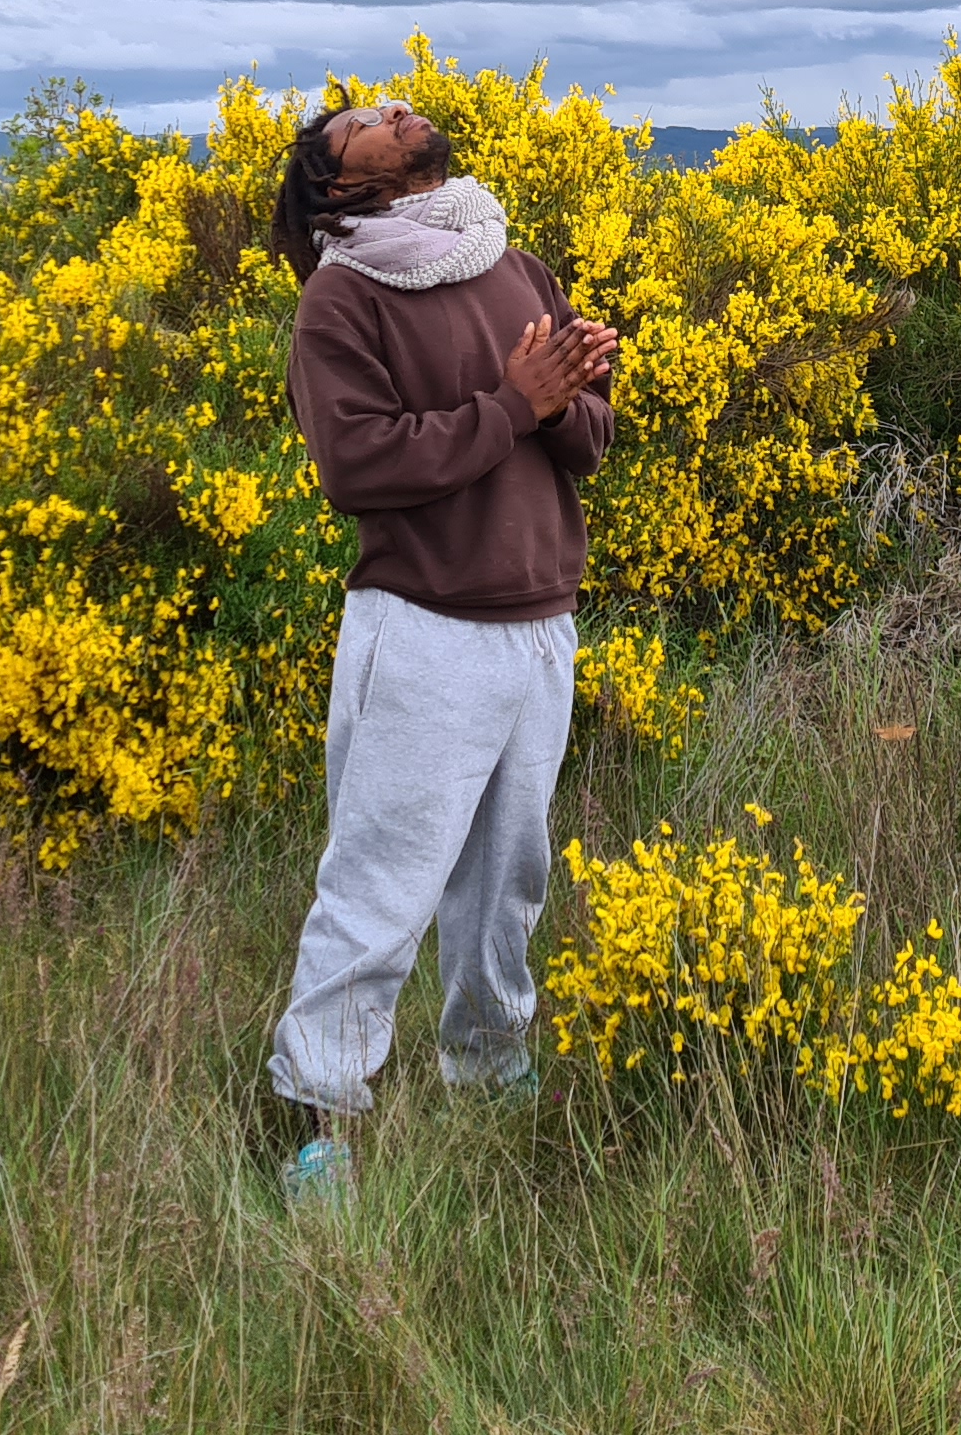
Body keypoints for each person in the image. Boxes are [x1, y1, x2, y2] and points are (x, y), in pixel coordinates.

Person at [262, 95, 619, 1208]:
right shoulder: (341, 301)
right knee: (381, 889)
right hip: (422, 630)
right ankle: (320, 1127)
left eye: (389, 104)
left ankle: (489, 1073)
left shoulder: (512, 260)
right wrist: (515, 403)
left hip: (540, 623)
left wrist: (562, 401)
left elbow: (592, 441)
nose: (395, 107)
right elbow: (357, 468)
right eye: (360, 121)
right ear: (340, 186)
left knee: (507, 884)